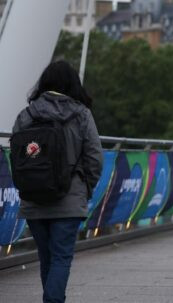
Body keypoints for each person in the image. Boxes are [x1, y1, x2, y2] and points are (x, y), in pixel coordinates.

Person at [11, 61, 103, 302]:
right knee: (61, 257)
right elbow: (95, 158)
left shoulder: (26, 115)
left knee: (47, 257)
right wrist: (85, 188)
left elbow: (16, 158)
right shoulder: (81, 114)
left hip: (33, 199)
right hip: (69, 199)